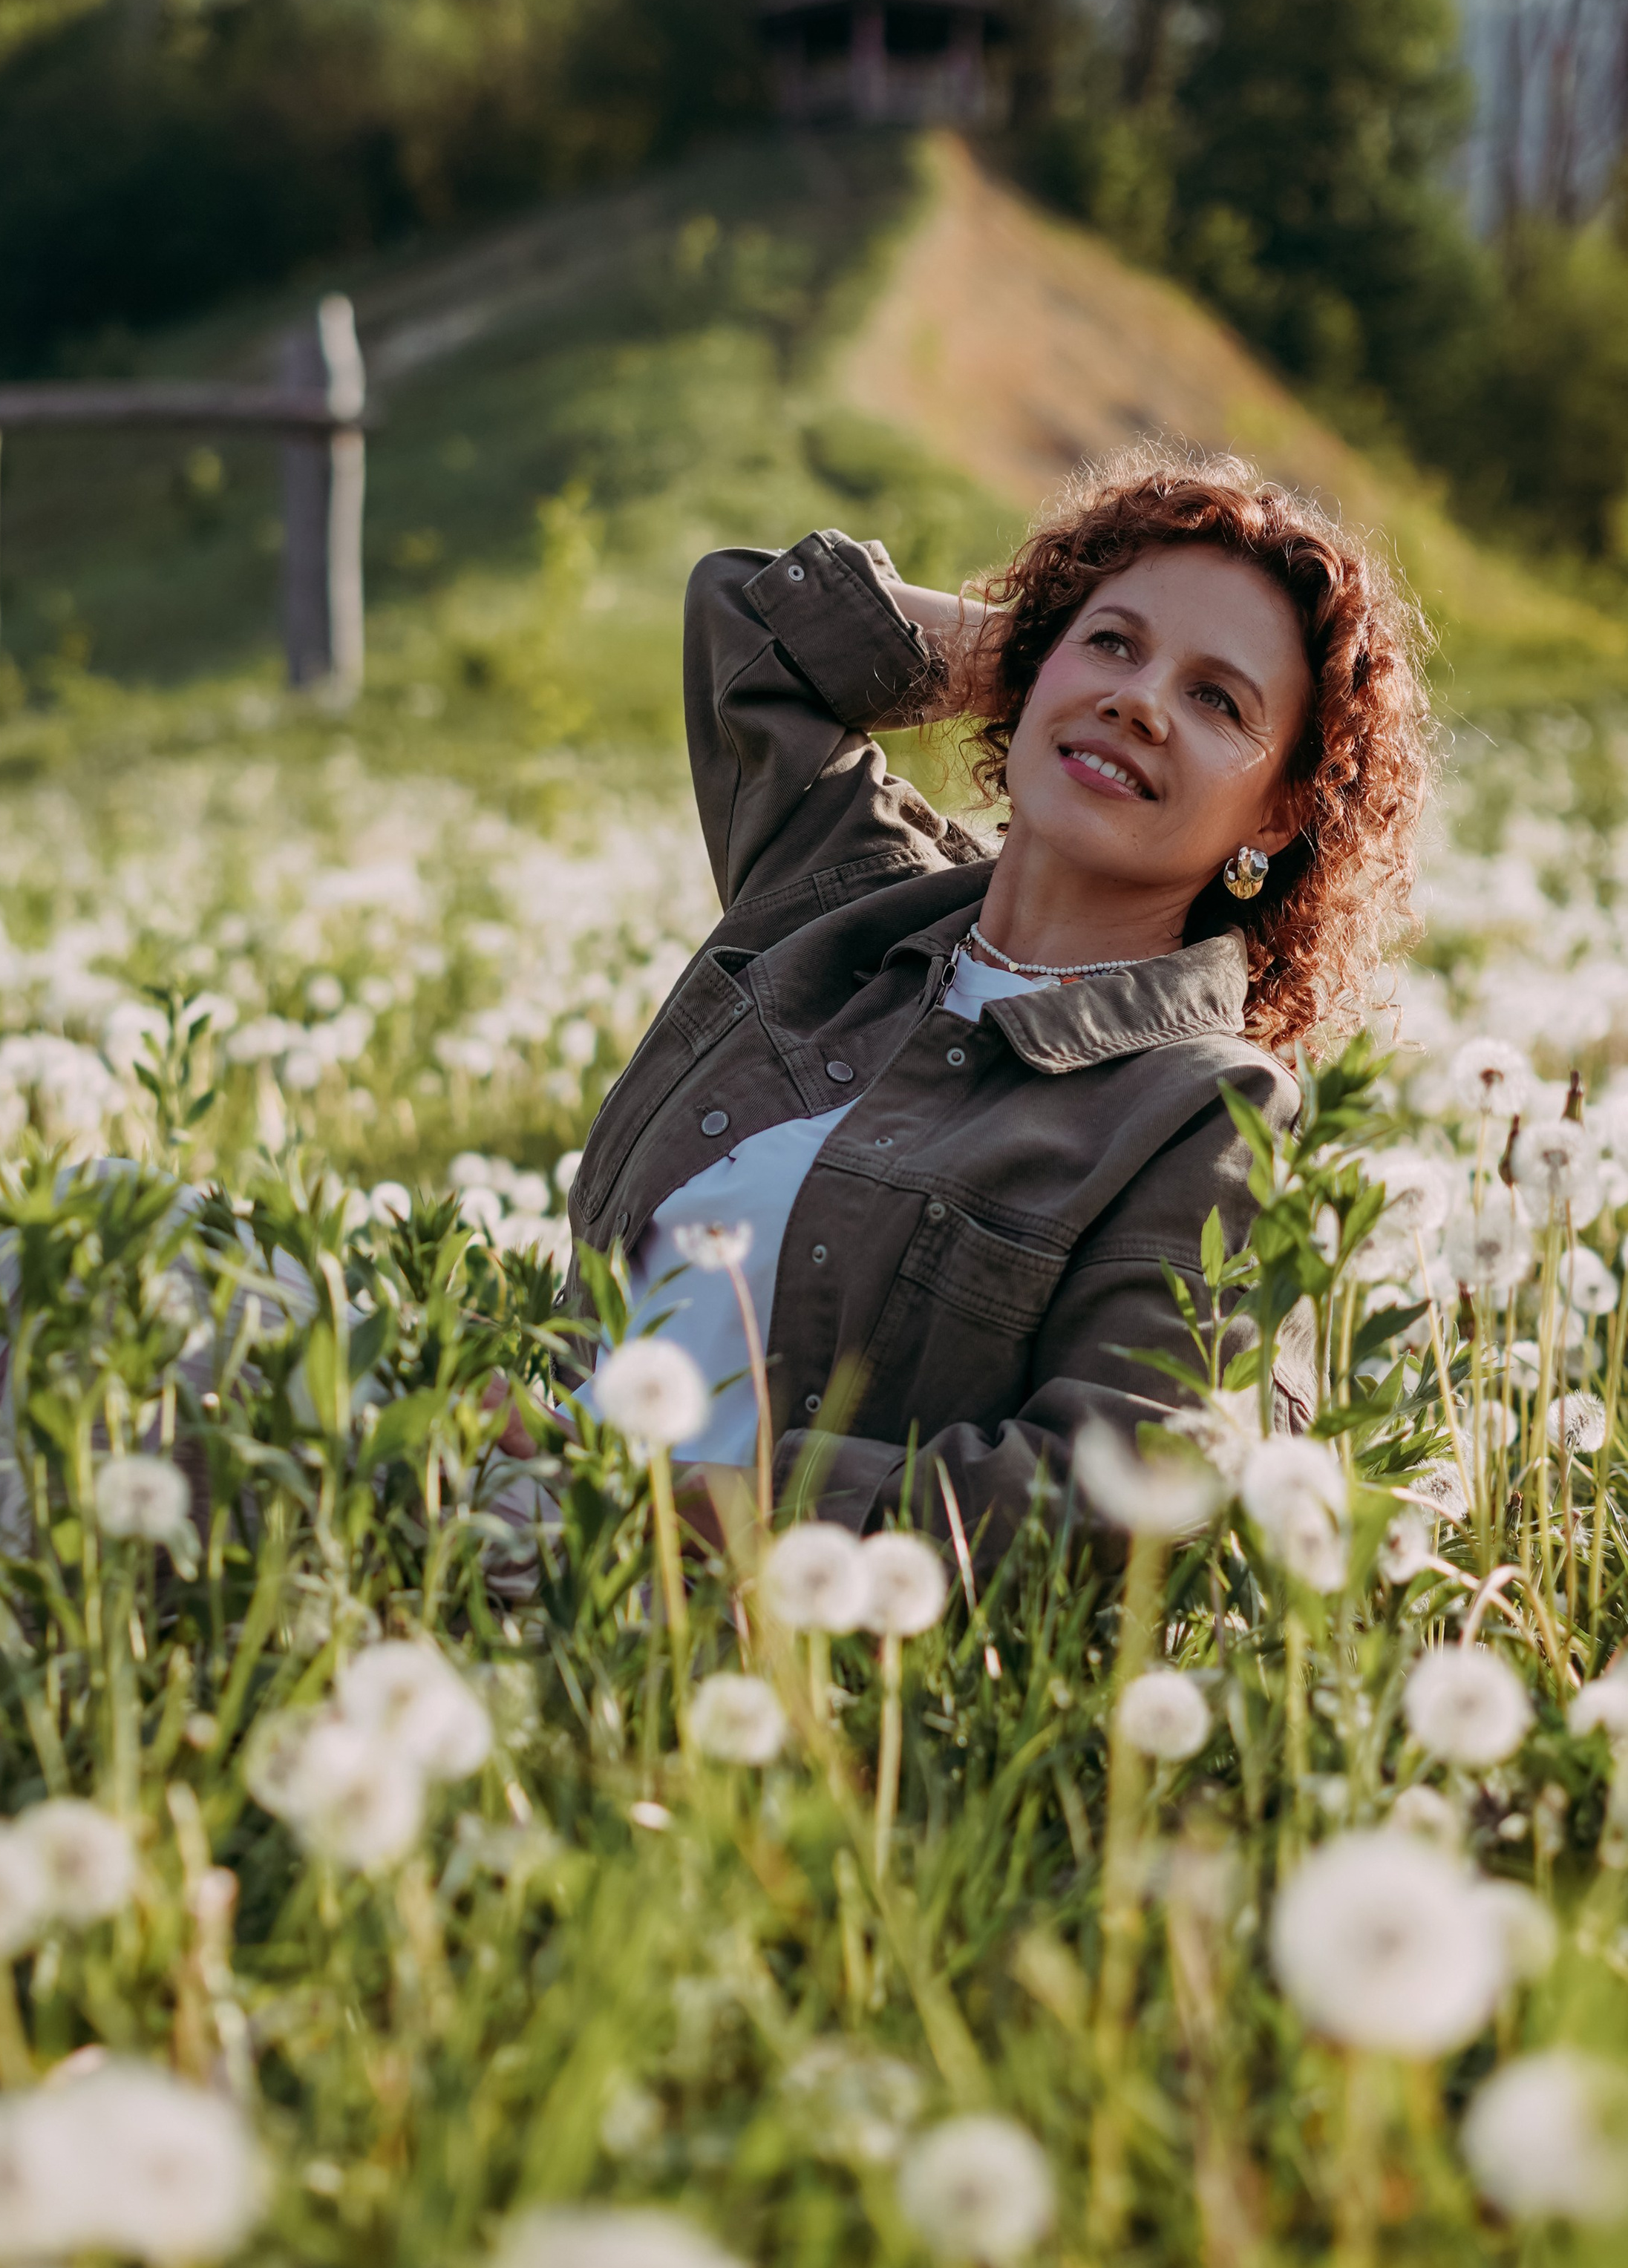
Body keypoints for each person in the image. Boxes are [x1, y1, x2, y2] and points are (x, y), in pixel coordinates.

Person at [562, 450, 1431, 1554]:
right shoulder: (839, 893)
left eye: (1216, 700)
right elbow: (747, 611)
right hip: (492, 1539)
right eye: (1113, 642)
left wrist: (691, 1506)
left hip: (745, 1631)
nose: (1140, 700)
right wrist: (1032, 659)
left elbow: (1132, 1485)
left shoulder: (1208, 1116)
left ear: (1278, 813)